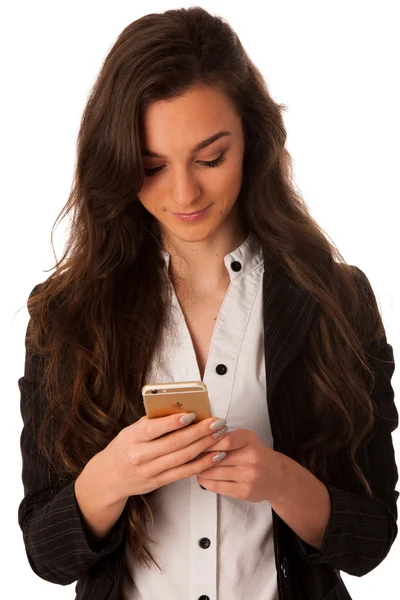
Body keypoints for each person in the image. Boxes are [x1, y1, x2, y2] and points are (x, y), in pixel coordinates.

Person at [17, 6, 398, 600]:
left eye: (210, 158)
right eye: (151, 167)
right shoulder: (67, 313)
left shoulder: (336, 301)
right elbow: (45, 552)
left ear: (253, 140)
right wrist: (111, 478)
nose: (184, 193)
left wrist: (279, 480)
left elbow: (373, 539)